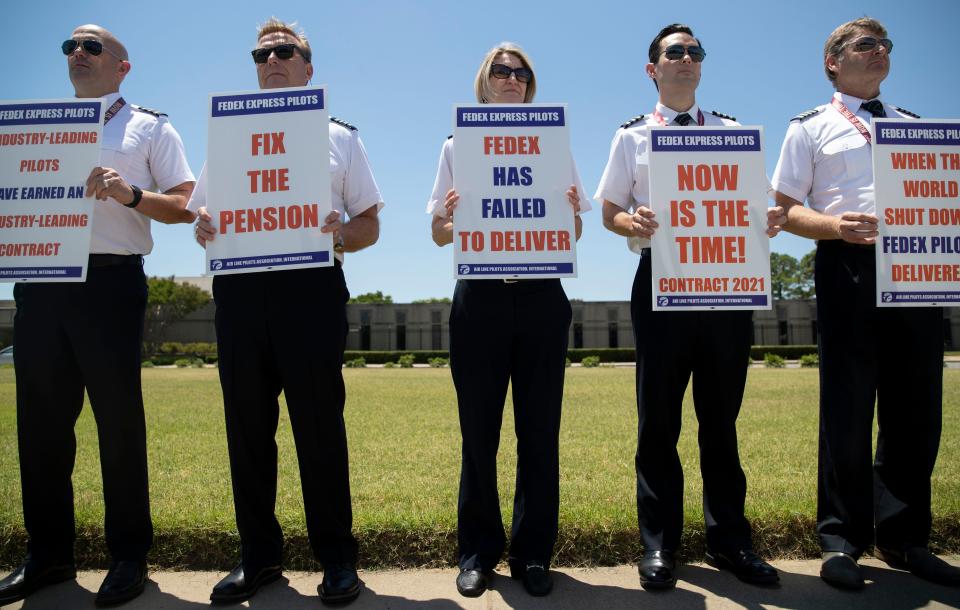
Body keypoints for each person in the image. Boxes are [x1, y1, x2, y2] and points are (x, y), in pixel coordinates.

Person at [0, 24, 195, 607]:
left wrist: (130, 194)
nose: (77, 55)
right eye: (69, 47)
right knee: (40, 429)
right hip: (40, 284)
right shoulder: (33, 131)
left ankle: (129, 557)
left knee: (118, 424)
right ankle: (48, 557)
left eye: (91, 48)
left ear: (122, 68)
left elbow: (186, 205)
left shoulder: (149, 127)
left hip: (110, 284)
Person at [190, 18, 382, 605]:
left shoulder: (339, 136)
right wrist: (204, 226)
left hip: (311, 292)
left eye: (285, 51)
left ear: (308, 66)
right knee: (248, 429)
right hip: (241, 294)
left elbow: (369, 224)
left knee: (319, 428)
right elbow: (204, 215)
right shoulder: (229, 135)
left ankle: (337, 560)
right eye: (262, 53)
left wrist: (339, 235)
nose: (272, 59)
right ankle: (259, 558)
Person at [771, 17, 960, 590]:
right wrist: (833, 224)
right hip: (848, 266)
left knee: (916, 408)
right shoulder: (809, 128)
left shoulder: (919, 130)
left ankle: (905, 538)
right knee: (848, 410)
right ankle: (841, 540)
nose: (880, 52)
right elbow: (783, 211)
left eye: (886, 45)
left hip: (919, 271)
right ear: (833, 60)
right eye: (865, 45)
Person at [596, 24, 785, 590]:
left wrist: (769, 219)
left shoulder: (734, 134)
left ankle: (731, 542)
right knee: (658, 422)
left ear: (702, 66)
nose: (686, 59)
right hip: (662, 286)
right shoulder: (631, 137)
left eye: (694, 52)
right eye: (673, 52)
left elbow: (760, 207)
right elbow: (609, 212)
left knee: (720, 422)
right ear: (652, 69)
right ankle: (658, 546)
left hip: (726, 289)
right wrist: (635, 220)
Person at [427, 42, 588, 598]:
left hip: (542, 297)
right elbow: (438, 232)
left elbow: (576, 232)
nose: (512, 78)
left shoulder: (553, 145)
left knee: (539, 432)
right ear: (485, 80)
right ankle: (476, 552)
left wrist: (568, 212)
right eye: (502, 70)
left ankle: (533, 554)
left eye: (522, 73)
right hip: (481, 299)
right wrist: (452, 217)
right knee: (479, 434)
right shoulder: (457, 145)